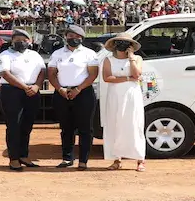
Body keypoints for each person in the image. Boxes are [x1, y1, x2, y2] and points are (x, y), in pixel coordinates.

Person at [48, 25, 99, 170]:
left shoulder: (89, 53)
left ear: (81, 38)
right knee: (66, 128)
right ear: (66, 37)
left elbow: (93, 74)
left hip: (83, 93)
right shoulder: (57, 53)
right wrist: (60, 89)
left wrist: (78, 89)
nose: (73, 39)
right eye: (70, 36)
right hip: (62, 92)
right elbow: (51, 73)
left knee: (85, 128)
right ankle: (67, 158)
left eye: (76, 37)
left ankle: (83, 160)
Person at [0, 29, 45, 171]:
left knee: (27, 125)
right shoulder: (5, 55)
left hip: (32, 91)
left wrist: (36, 86)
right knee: (13, 125)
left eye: (24, 40)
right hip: (12, 91)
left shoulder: (34, 55)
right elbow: (5, 73)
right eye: (17, 40)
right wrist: (24, 87)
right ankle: (14, 158)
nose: (21, 42)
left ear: (29, 41)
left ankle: (24, 155)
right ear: (12, 41)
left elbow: (42, 71)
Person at [99, 35, 146, 172]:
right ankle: (116, 159)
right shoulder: (108, 60)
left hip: (132, 95)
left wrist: (131, 57)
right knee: (115, 124)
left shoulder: (137, 59)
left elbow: (137, 75)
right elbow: (107, 77)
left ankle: (140, 160)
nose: (122, 45)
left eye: (125, 43)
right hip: (115, 95)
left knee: (134, 124)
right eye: (119, 43)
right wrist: (127, 78)